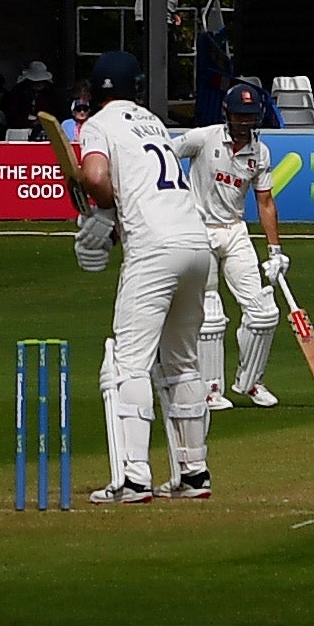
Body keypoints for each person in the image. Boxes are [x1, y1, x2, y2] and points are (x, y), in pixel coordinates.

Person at [62, 59, 220, 504]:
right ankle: (193, 473)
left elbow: (95, 176)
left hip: (153, 248)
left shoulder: (96, 124)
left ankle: (133, 477)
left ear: (92, 90)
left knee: (127, 363)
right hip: (197, 243)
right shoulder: (152, 122)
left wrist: (103, 208)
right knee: (184, 363)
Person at [194, 80, 287, 410]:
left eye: (250, 116)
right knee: (210, 314)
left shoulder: (260, 153)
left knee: (263, 313)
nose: (245, 122)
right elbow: (165, 155)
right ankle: (209, 389)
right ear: (227, 114)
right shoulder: (204, 138)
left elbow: (265, 202)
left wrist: (275, 251)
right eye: (239, 116)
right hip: (200, 230)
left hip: (235, 231)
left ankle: (250, 383)